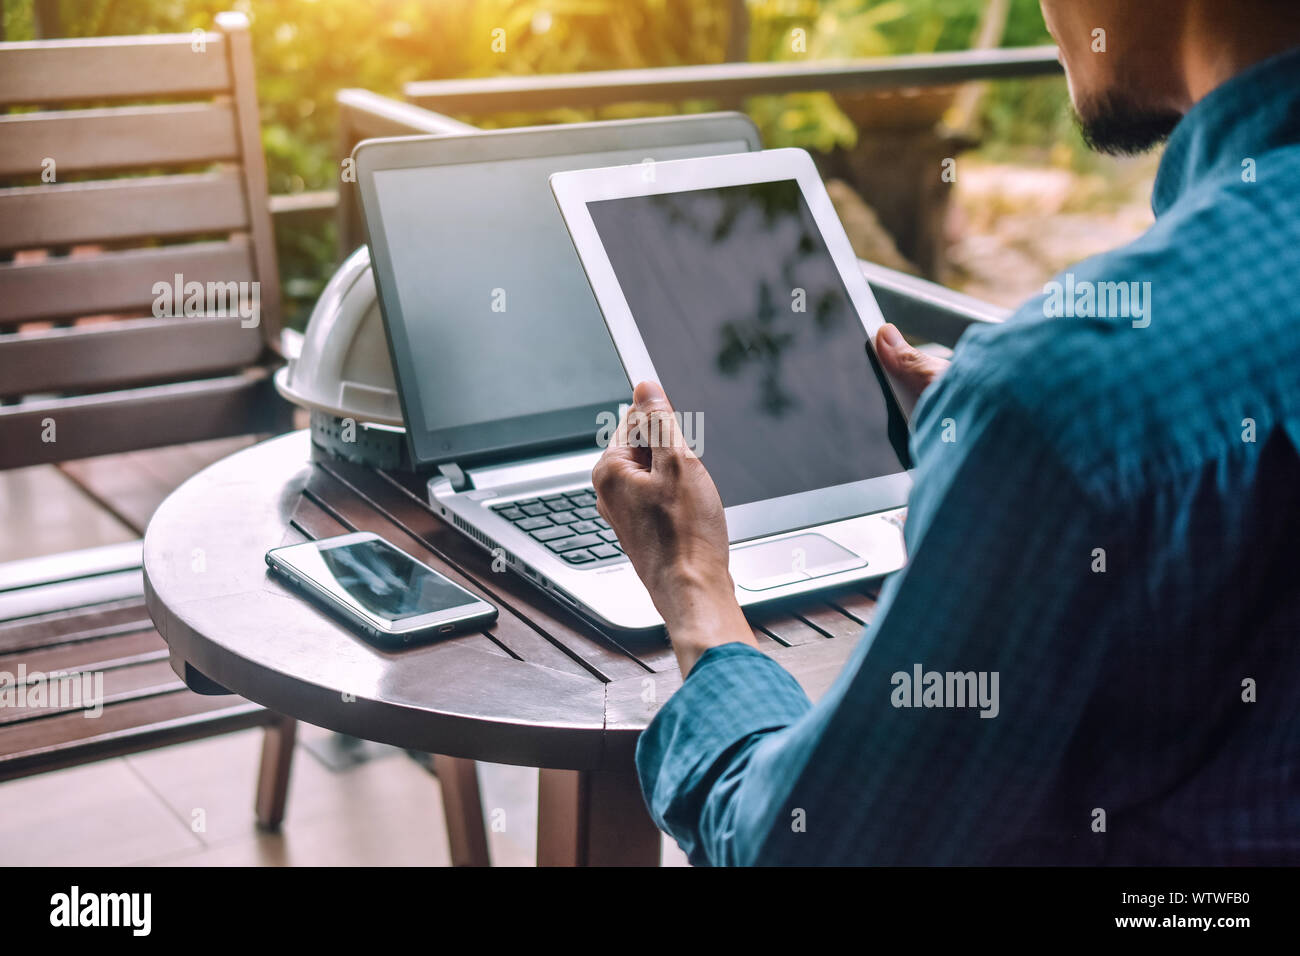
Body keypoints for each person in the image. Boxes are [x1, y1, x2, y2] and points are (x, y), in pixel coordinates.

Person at [592, 0, 1300, 865]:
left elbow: (801, 849)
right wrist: (1016, 463)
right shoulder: (1093, 397)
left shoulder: (1075, 394)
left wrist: (694, 587)